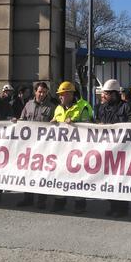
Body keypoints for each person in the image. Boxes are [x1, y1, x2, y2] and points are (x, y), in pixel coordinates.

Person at [96, 79, 131, 218]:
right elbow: (98, 123)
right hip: (107, 148)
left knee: (121, 179)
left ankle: (122, 208)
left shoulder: (127, 106)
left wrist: (120, 126)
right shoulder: (102, 107)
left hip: (124, 148)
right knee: (109, 178)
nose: (104, 96)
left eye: (106, 94)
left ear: (114, 94)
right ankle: (113, 205)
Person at [51, 81, 92, 213]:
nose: (60, 97)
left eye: (62, 94)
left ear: (69, 94)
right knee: (60, 175)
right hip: (61, 149)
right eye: (59, 95)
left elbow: (88, 125)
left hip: (78, 149)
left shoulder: (83, 106)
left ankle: (80, 204)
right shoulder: (58, 108)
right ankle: (59, 202)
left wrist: (75, 123)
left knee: (78, 176)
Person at [17, 81, 56, 209]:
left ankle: (41, 201)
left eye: (44, 92)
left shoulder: (51, 107)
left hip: (44, 147)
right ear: (35, 92)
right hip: (29, 146)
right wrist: (15, 122)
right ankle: (28, 198)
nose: (42, 94)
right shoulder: (28, 105)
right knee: (28, 172)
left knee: (42, 173)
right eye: (40, 91)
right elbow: (22, 121)